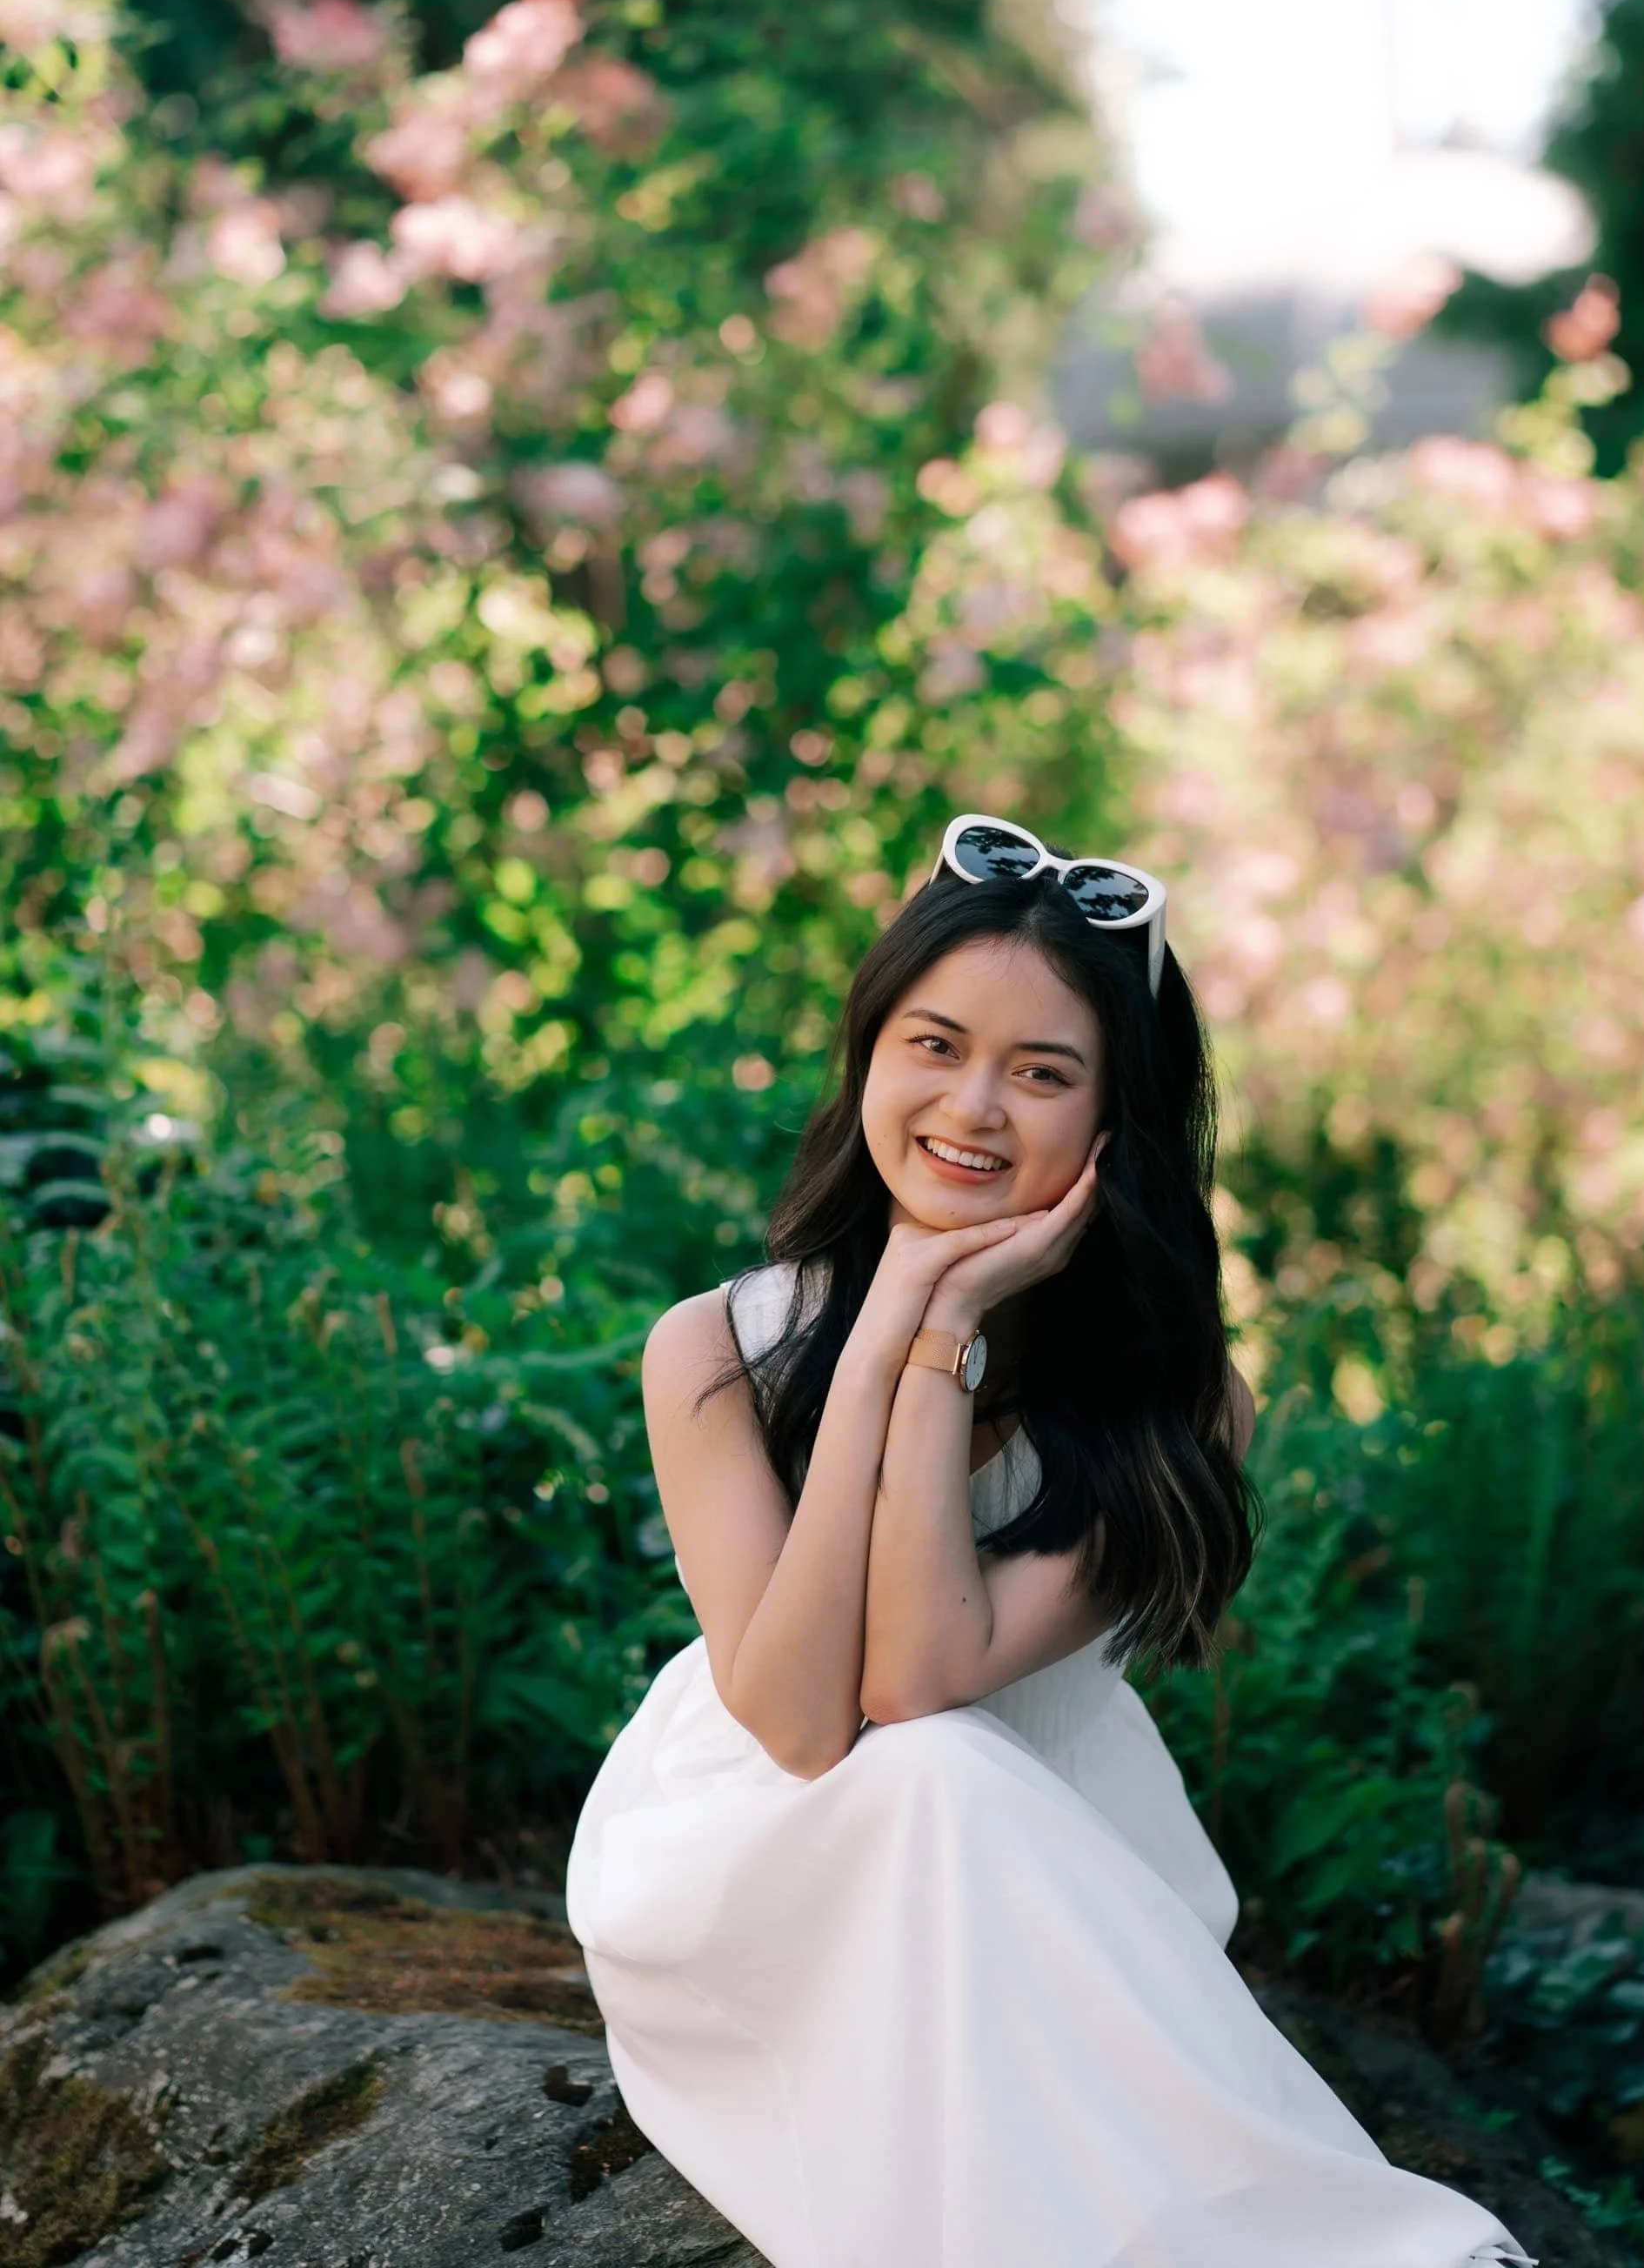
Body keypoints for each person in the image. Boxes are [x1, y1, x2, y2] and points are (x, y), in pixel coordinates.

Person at [567, 814, 1531, 2268]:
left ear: (1111, 1120)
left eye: (1043, 1072)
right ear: (870, 1056)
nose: (975, 1105)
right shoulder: (714, 1351)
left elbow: (925, 1674)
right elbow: (802, 1720)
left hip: (1042, 1860)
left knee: (949, 1762)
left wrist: (940, 1334)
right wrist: (892, 1322)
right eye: (935, 1045)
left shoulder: (1183, 1408)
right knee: (934, 1770)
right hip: (754, 1858)